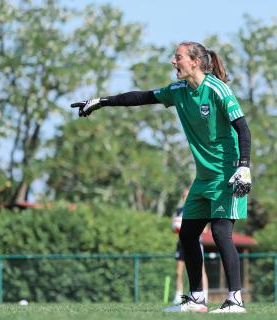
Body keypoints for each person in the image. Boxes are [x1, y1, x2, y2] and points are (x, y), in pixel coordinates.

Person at [71, 41, 252, 313]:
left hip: (227, 174)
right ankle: (196, 299)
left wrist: (244, 166)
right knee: (188, 234)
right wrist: (102, 102)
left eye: (177, 57)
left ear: (194, 62)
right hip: (203, 178)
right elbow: (142, 97)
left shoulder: (217, 89)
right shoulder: (178, 91)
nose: (172, 61)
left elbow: (243, 129)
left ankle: (235, 300)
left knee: (220, 232)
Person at [171, 187, 209, 305]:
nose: (185, 197)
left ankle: (205, 295)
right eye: (184, 195)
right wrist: (176, 225)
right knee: (179, 271)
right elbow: (174, 227)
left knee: (201, 270)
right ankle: (178, 296)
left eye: (187, 195)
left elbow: (206, 229)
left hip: (196, 243)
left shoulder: (198, 208)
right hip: (181, 244)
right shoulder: (179, 210)